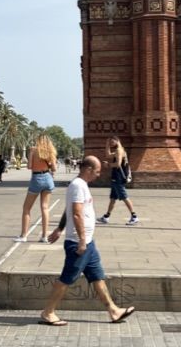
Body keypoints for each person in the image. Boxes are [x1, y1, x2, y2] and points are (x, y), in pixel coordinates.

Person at [40, 156, 136, 326]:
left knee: (97, 276)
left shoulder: (81, 185)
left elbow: (68, 210)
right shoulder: (77, 185)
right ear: (88, 169)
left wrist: (60, 228)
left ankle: (113, 310)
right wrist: (82, 240)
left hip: (88, 243)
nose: (98, 175)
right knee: (67, 278)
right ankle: (48, 312)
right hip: (78, 243)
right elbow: (76, 213)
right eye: (97, 171)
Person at [15, 134, 57, 243]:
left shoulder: (34, 150)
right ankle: (44, 236)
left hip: (36, 178)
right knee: (45, 207)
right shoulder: (51, 152)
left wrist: (31, 153)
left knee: (26, 208)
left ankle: (23, 235)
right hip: (48, 178)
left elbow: (29, 166)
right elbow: (54, 168)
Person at [96, 137, 138, 225]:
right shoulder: (119, 150)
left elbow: (118, 164)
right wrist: (107, 145)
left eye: (112, 142)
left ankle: (134, 216)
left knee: (124, 197)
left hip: (118, 177)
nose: (111, 143)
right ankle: (106, 217)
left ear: (117, 141)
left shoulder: (119, 150)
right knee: (113, 198)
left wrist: (108, 165)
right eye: (110, 142)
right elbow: (108, 155)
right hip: (116, 177)